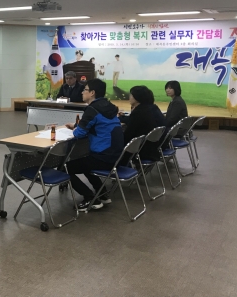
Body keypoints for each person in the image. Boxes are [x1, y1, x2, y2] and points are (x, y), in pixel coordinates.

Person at [64, 79, 124, 211]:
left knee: (65, 168)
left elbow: (79, 133)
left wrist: (76, 128)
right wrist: (77, 125)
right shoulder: (109, 107)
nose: (82, 92)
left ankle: (90, 198)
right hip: (116, 156)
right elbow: (97, 124)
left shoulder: (92, 109)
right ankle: (102, 194)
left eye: (85, 89)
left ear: (92, 93)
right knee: (86, 163)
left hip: (103, 157)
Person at [121, 86, 166, 161]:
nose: (129, 97)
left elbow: (128, 135)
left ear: (137, 98)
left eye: (131, 95)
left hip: (141, 151)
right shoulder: (150, 108)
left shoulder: (139, 112)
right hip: (152, 148)